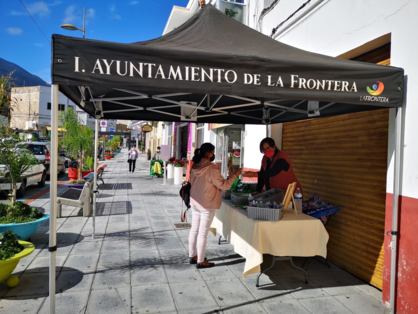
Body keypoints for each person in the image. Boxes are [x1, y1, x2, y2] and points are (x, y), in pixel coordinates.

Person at [189, 143, 242, 268]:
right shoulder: (211, 169)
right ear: (208, 153)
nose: (213, 155)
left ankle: (193, 256)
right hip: (206, 203)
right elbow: (224, 185)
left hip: (195, 201)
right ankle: (201, 261)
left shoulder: (195, 165)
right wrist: (235, 174)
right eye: (213, 152)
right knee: (202, 233)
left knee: (194, 230)